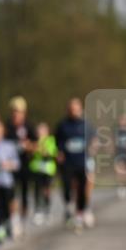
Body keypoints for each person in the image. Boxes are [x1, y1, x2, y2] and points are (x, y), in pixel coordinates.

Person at [55, 97, 94, 232]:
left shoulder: (86, 125)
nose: (74, 111)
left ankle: (80, 213)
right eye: (71, 109)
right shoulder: (62, 125)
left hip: (82, 162)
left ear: (80, 109)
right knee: (67, 187)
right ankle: (68, 206)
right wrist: (59, 153)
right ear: (68, 110)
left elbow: (94, 139)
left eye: (76, 108)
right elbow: (57, 142)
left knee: (82, 189)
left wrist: (93, 147)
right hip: (67, 162)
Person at [4, 96, 36, 235]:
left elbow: (36, 145)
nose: (16, 114)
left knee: (23, 195)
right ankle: (13, 220)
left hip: (25, 165)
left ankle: (22, 221)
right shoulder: (6, 127)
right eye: (14, 111)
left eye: (19, 112)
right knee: (11, 194)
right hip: (10, 167)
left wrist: (27, 146)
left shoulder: (29, 127)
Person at [29, 121, 58, 225]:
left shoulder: (51, 140)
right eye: (39, 130)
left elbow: (50, 152)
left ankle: (47, 209)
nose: (40, 132)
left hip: (48, 169)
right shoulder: (34, 141)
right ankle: (38, 211)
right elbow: (31, 152)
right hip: (37, 169)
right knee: (37, 190)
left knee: (47, 190)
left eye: (43, 130)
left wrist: (39, 149)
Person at [112, 113, 126, 199]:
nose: (124, 121)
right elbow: (112, 140)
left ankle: (124, 186)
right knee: (119, 171)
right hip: (119, 152)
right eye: (122, 119)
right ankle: (120, 188)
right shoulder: (116, 130)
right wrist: (112, 148)